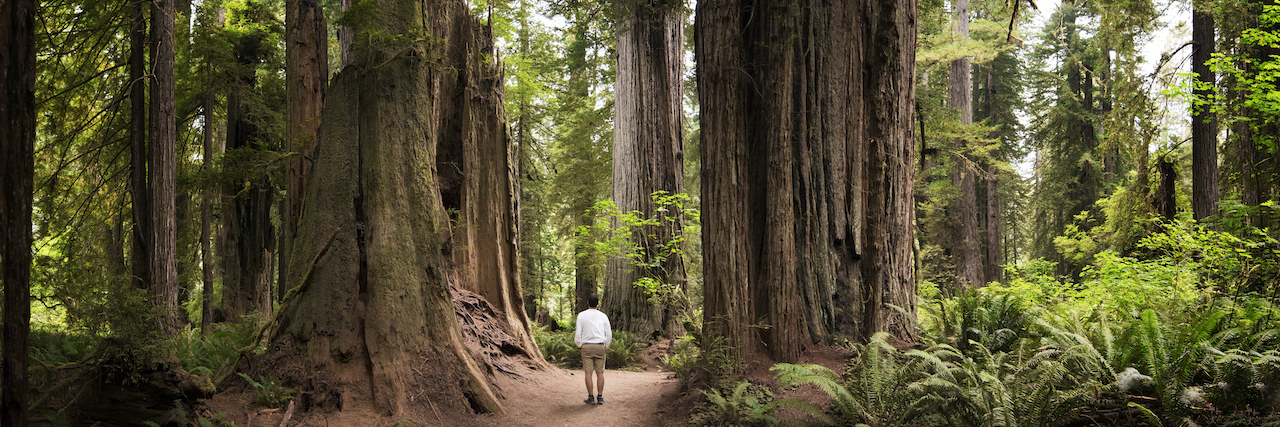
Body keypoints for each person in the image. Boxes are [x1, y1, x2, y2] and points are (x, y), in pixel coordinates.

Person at [574, 293, 612, 405]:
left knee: (588, 373)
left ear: (588, 302)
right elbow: (608, 334)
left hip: (586, 346)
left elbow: (578, 334)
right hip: (600, 345)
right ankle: (600, 397)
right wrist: (606, 346)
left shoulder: (581, 315)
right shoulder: (603, 316)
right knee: (600, 373)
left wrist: (579, 345)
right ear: (598, 303)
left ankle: (590, 397)